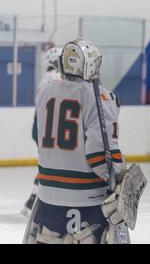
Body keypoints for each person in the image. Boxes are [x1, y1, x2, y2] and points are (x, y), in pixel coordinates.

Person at [29, 39, 125, 244]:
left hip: (47, 194)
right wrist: (119, 176)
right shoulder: (99, 96)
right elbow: (99, 156)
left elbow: (37, 134)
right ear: (90, 64)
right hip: (85, 197)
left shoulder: (45, 91)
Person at [22, 47, 63, 217]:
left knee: (50, 164)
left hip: (43, 126)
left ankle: (34, 201)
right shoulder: (55, 78)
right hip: (47, 127)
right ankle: (34, 202)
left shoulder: (48, 77)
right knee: (50, 165)